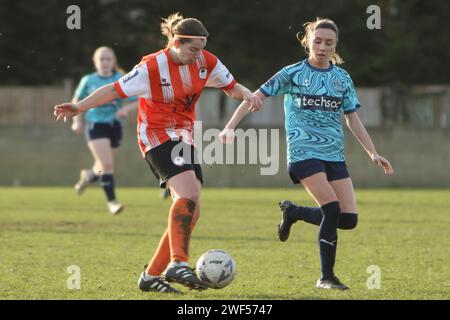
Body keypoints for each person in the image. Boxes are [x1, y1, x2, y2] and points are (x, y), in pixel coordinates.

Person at [54, 13, 261, 294]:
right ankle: (177, 263)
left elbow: (231, 87)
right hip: (156, 136)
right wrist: (80, 107)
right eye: (193, 49)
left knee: (193, 210)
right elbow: (113, 91)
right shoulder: (151, 67)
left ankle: (151, 276)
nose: (198, 55)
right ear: (176, 42)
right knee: (187, 196)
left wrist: (246, 93)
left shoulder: (206, 61)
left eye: (202, 48)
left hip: (183, 136)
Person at [219, 17, 394, 290]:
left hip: (333, 154)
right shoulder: (292, 73)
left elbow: (353, 119)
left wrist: (372, 152)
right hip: (303, 152)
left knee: (348, 219)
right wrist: (229, 127)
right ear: (307, 41)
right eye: (318, 41)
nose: (322, 47)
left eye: (329, 43)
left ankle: (295, 212)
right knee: (332, 209)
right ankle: (326, 277)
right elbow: (254, 97)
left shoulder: (341, 78)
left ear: (335, 45)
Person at [71, 47, 138, 215]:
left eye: (108, 59)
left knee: (101, 167)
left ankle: (88, 177)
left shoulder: (120, 79)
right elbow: (76, 101)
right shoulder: (88, 80)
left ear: (113, 61)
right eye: (102, 59)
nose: (105, 62)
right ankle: (112, 202)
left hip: (115, 126)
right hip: (95, 125)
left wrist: (126, 109)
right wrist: (76, 121)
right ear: (95, 62)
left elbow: (138, 100)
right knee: (107, 165)